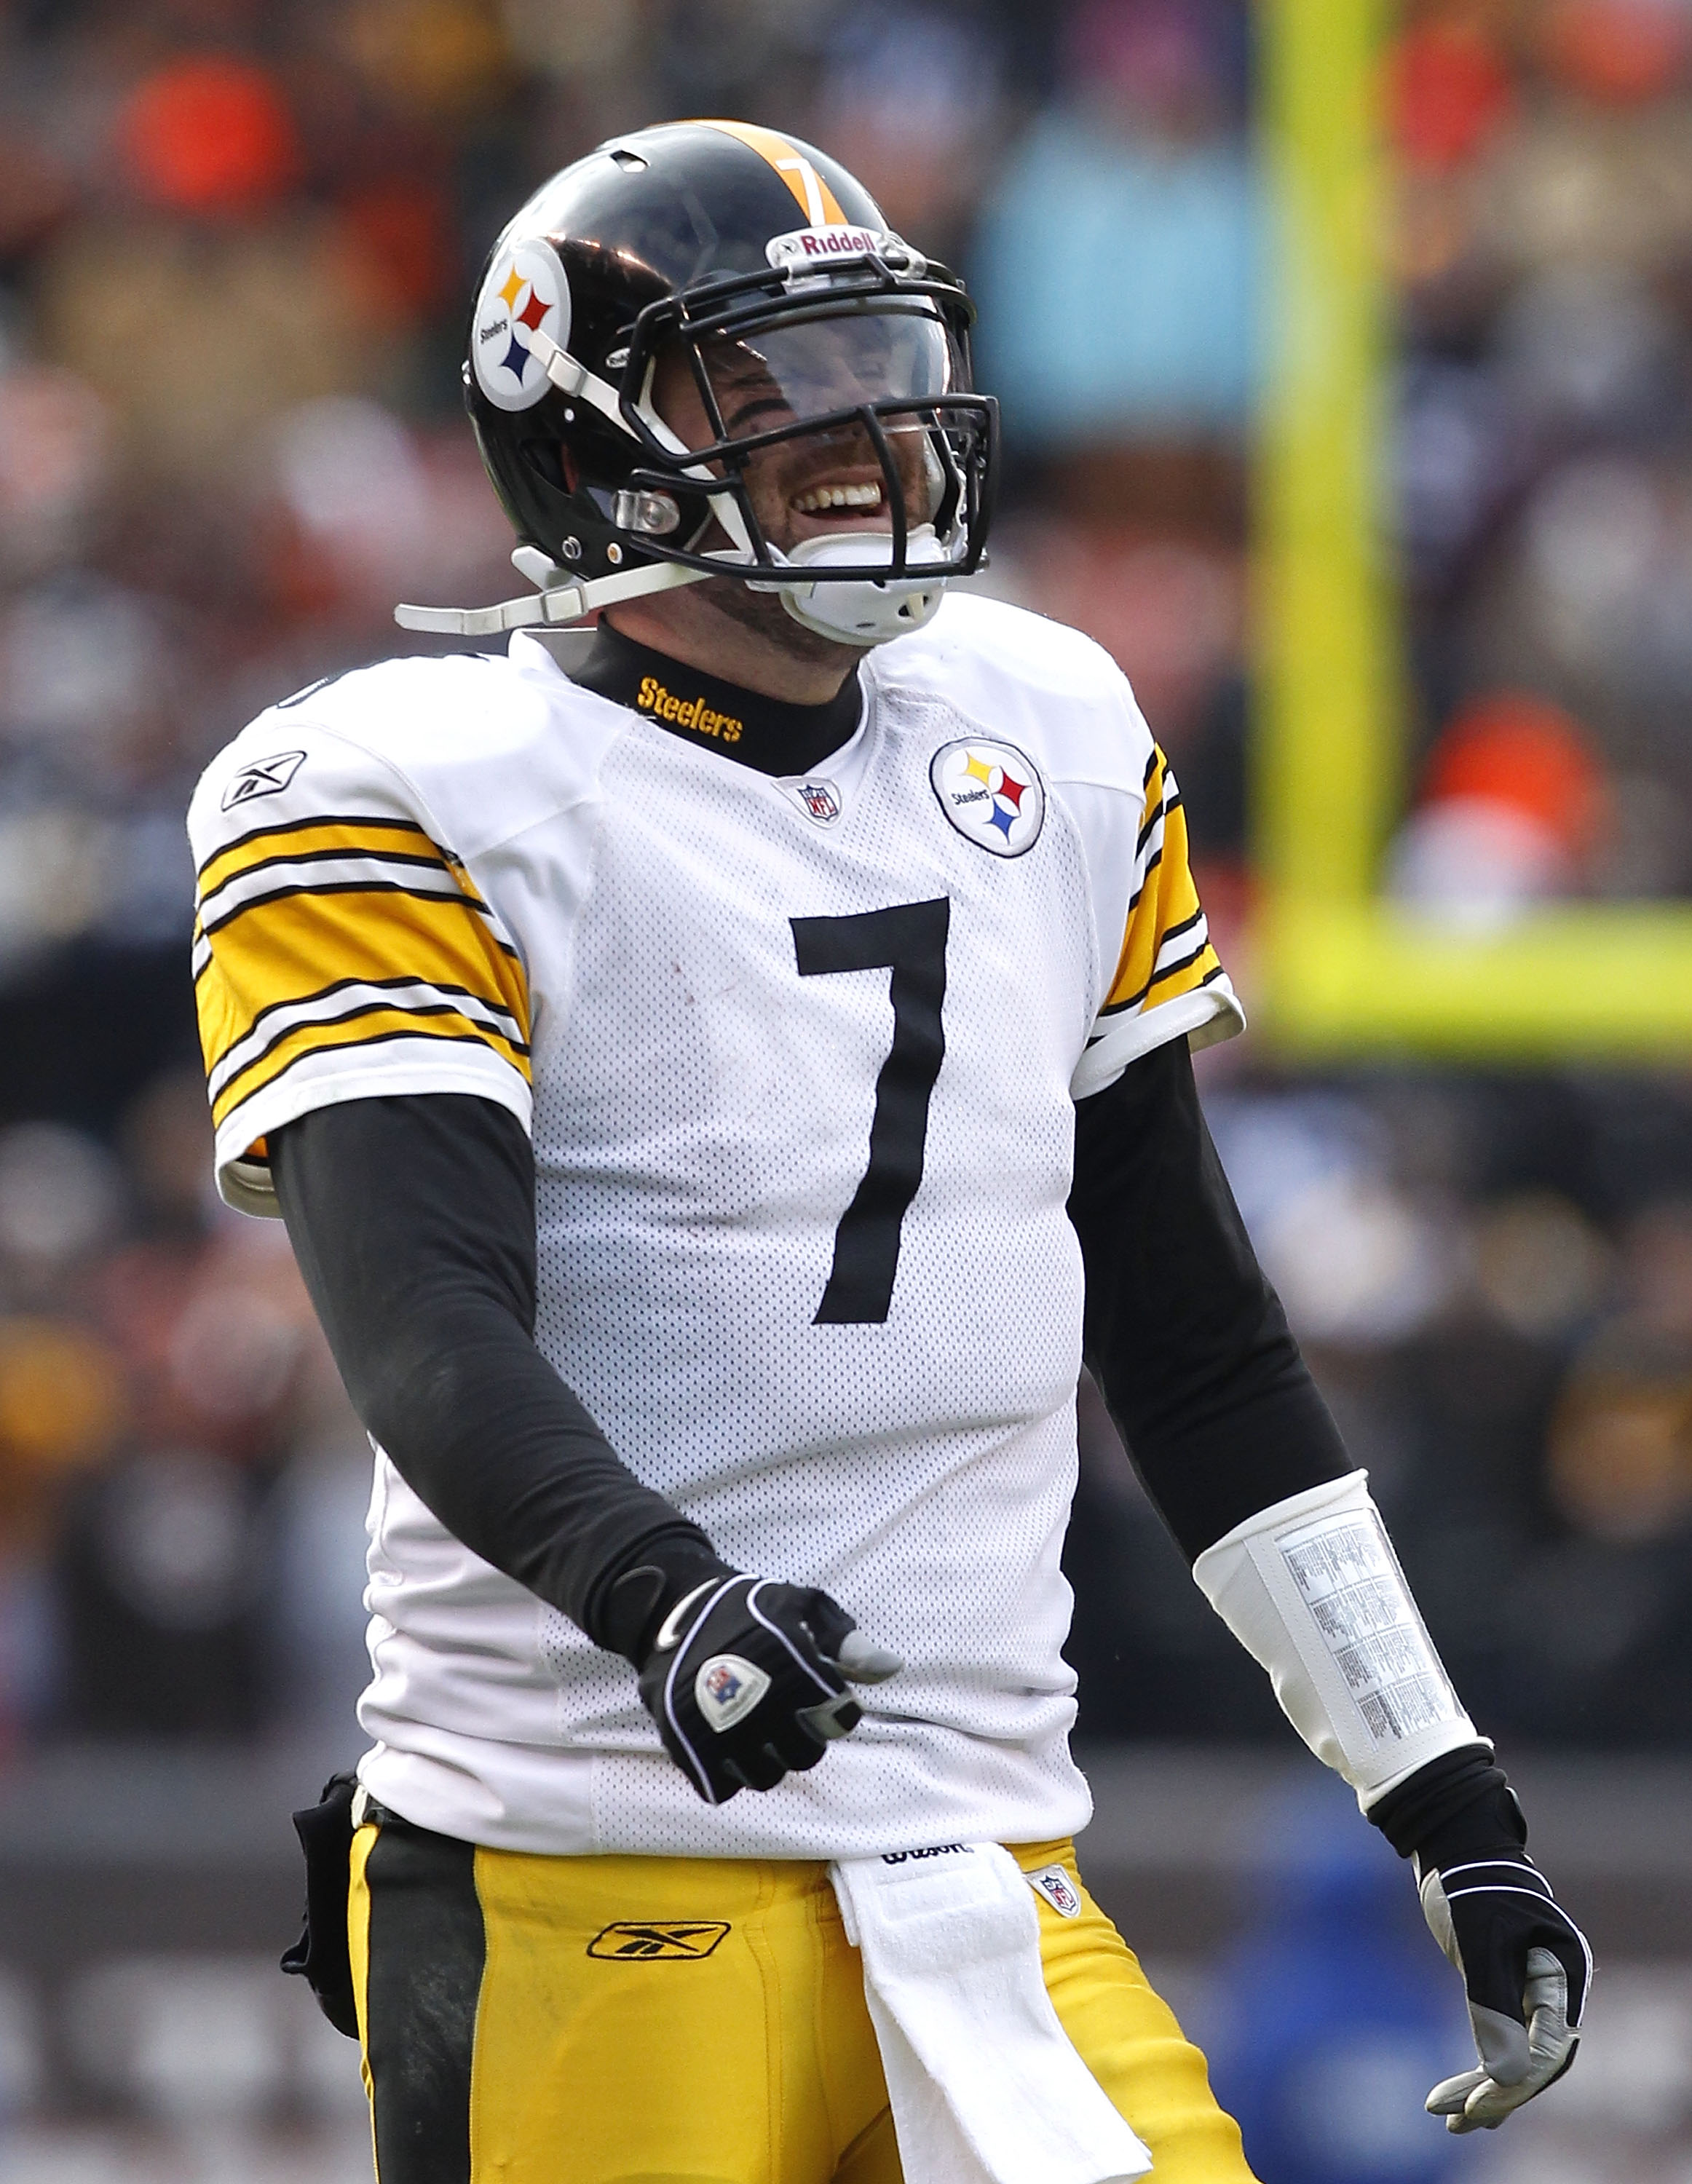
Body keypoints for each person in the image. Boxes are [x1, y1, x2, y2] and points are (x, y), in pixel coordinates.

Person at [189, 122, 1589, 2184]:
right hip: (586, 1853)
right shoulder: (399, 785)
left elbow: (1196, 1341)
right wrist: (666, 1603)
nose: (859, 436)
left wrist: (1448, 1801)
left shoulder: (1052, 720)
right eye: (763, 388)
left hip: (980, 1860)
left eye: (876, 367)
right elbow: (424, 1334)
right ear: (584, 442)